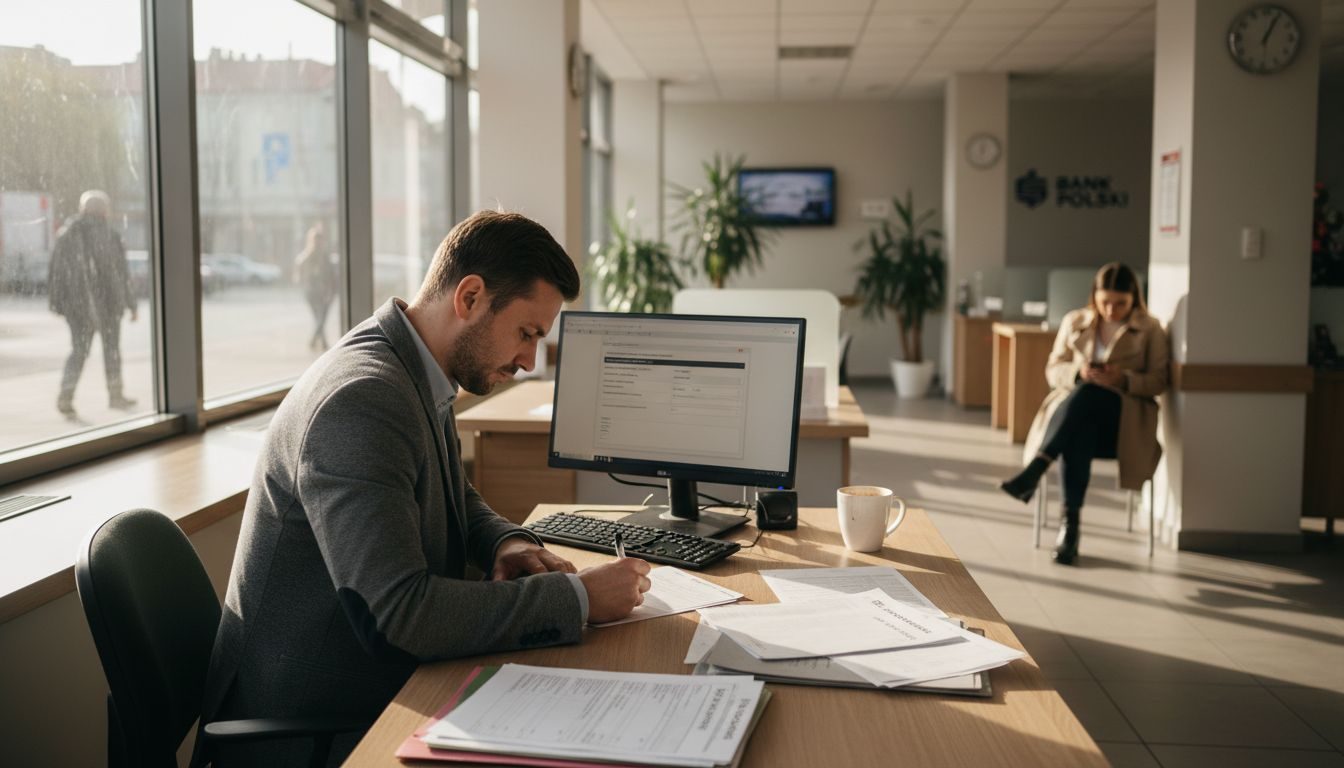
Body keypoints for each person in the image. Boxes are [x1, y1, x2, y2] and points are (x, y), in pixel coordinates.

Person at [202, 211, 652, 766]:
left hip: (377, 684)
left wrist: (507, 543)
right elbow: (400, 616)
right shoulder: (363, 398)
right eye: (527, 333)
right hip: (315, 727)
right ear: (469, 297)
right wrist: (579, 598)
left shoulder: (412, 365)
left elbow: (451, 491)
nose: (529, 360)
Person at [999, 262, 1169, 565]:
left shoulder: (1151, 328)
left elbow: (1159, 380)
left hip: (1122, 425)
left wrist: (1123, 380)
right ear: (1094, 295)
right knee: (1082, 420)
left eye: (1120, 303)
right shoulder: (1074, 320)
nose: (1111, 310)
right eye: (1105, 301)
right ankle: (1070, 529)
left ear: (1134, 299)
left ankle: (1038, 469)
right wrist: (1078, 373)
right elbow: (1053, 369)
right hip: (1075, 424)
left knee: (1090, 398)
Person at [47, 190, 138, 420]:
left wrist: (58, 304)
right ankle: (115, 395)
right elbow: (120, 274)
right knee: (112, 352)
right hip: (108, 307)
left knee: (79, 351)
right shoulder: (109, 235)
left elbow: (55, 272)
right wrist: (131, 303)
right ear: (104, 211)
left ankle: (66, 397)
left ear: (82, 209)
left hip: (78, 308)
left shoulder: (67, 234)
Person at [294, 222, 338, 351]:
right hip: (313, 293)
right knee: (319, 318)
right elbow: (300, 274)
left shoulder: (325, 257)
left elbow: (331, 275)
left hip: (325, 292)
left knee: (321, 318)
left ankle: (318, 341)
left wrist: (330, 290)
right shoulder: (307, 257)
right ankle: (319, 342)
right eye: (317, 240)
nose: (319, 243)